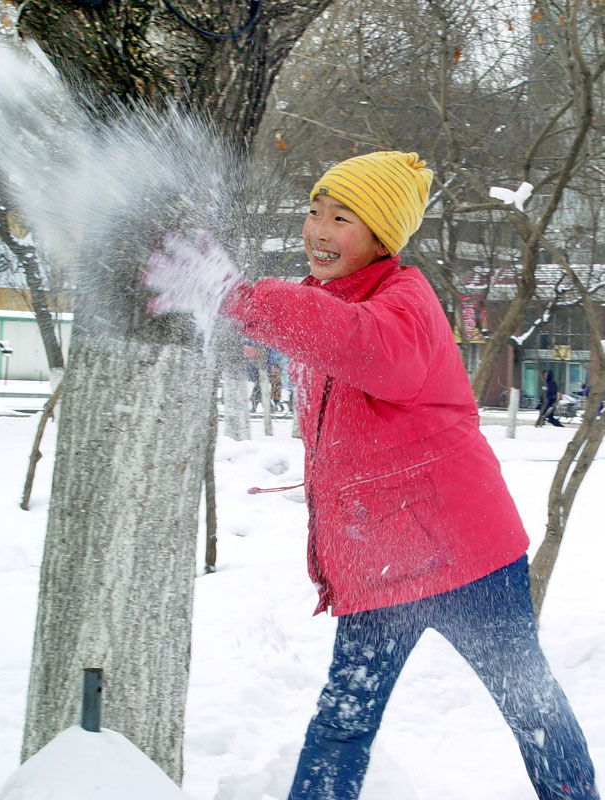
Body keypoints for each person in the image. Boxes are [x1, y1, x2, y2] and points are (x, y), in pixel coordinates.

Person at [143, 151, 599, 800]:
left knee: (530, 706)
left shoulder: (402, 301)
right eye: (313, 212)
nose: (318, 230)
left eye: (341, 217)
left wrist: (237, 298)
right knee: (341, 724)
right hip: (384, 564)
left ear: (382, 234)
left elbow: (366, 349)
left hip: (466, 558)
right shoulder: (320, 303)